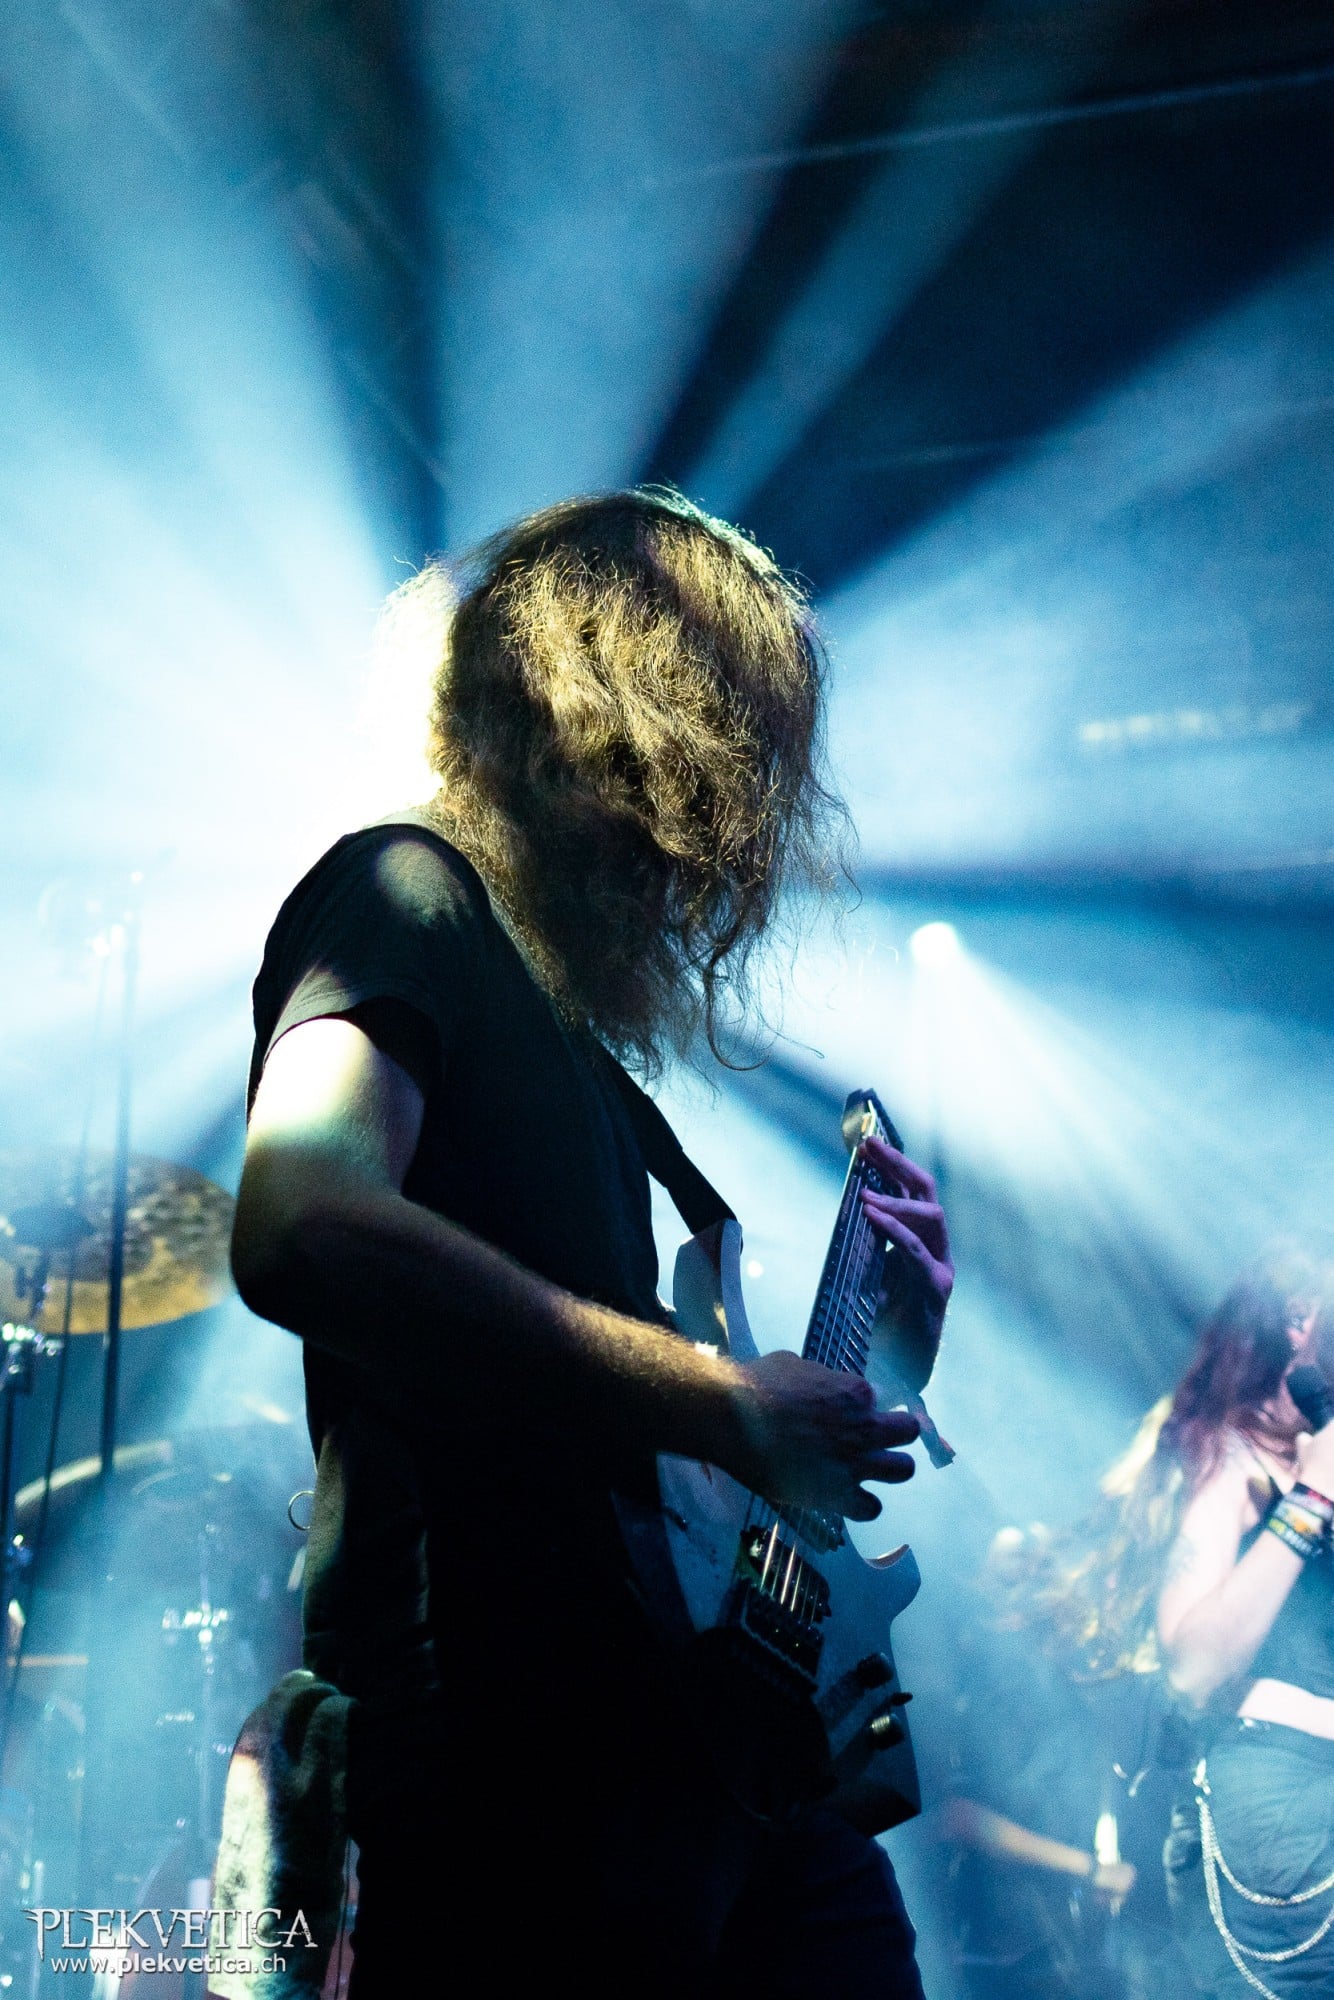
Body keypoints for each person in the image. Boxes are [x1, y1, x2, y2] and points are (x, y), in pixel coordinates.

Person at [229, 490, 953, 1997]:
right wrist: (721, 1400)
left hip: (703, 1756)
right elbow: (300, 1220)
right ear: (626, 730)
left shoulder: (583, 1063)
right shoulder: (401, 891)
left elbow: (680, 1468)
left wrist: (877, 1355)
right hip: (514, 1766)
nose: (720, 842)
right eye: (720, 761)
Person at [1004, 1246, 1334, 1998]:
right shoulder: (1236, 1457)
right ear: (1299, 1318)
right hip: (1278, 1806)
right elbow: (1193, 1668)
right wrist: (1312, 1497)